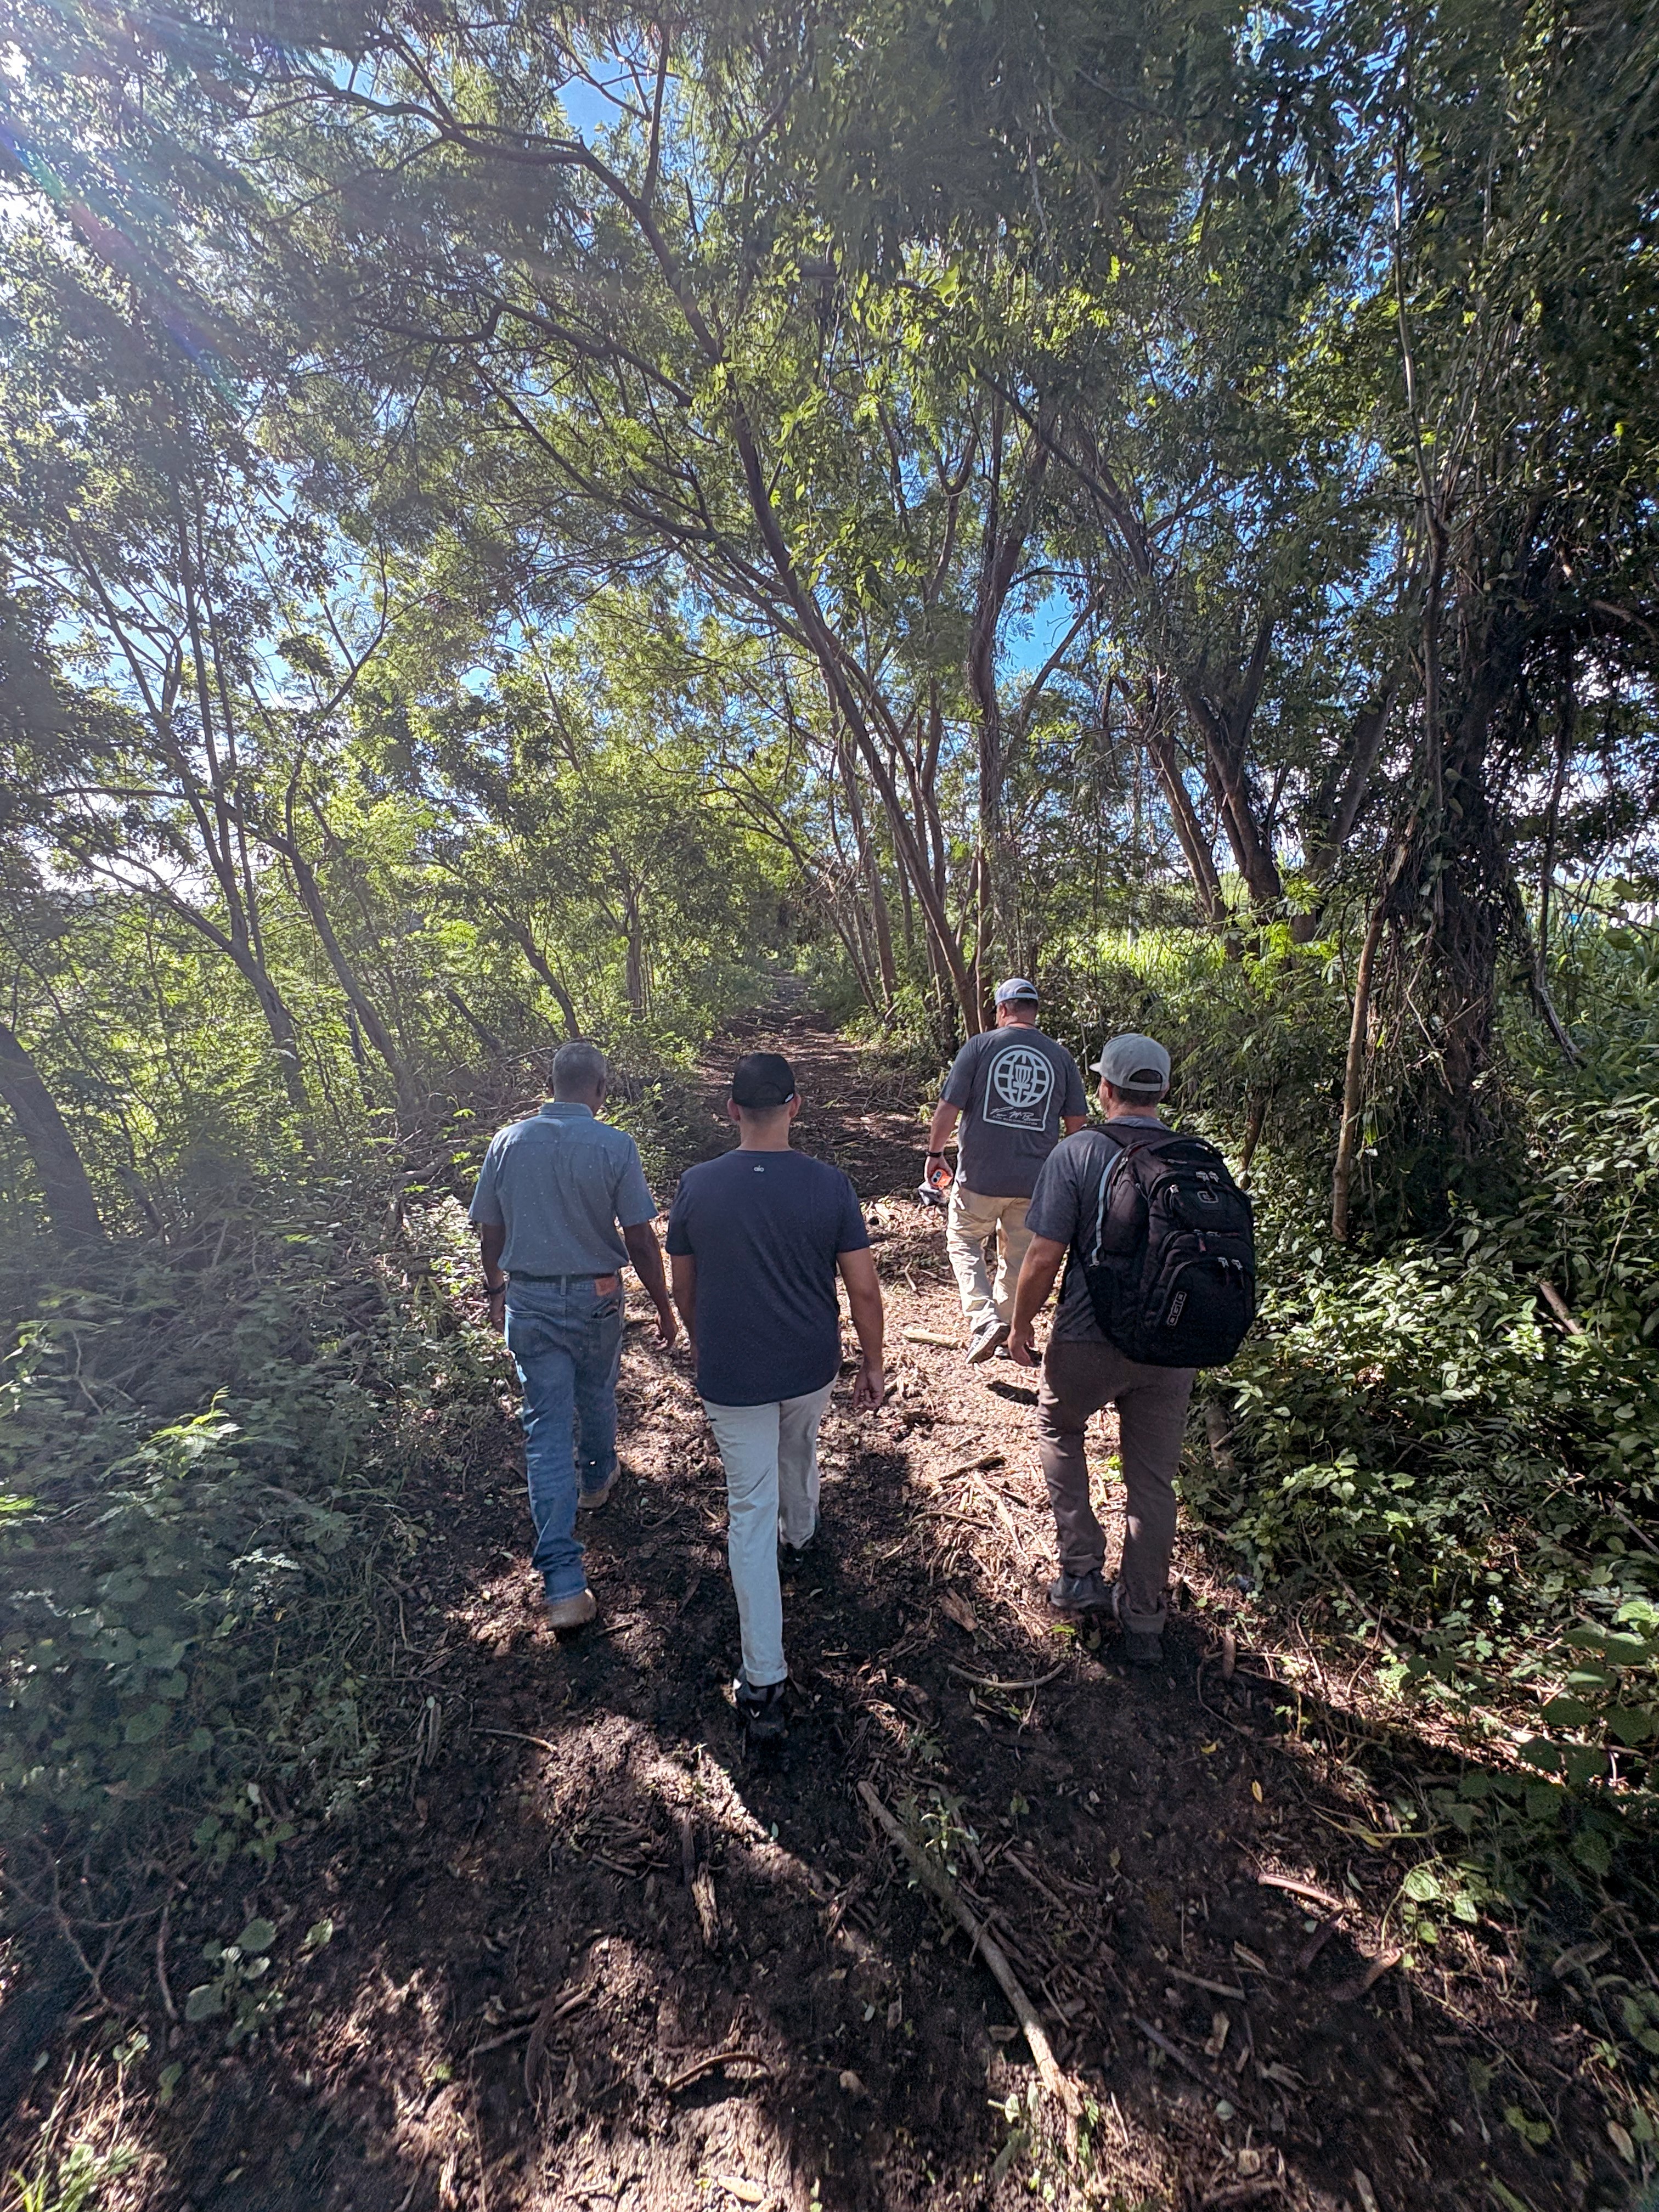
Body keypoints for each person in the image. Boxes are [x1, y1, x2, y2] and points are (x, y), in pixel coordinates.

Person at [667, 1051, 885, 1746]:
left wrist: (700, 1339)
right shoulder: (830, 1186)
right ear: (795, 1106)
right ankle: (805, 1532)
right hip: (809, 1364)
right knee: (799, 1442)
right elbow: (864, 1289)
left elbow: (683, 1286)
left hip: (732, 1375)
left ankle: (764, 1680)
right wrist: (873, 1363)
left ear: (732, 1110)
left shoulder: (697, 1186)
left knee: (749, 1507)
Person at [470, 1039, 678, 1630]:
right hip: (596, 1295)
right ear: (601, 1089)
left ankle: (563, 1585)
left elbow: (491, 1230)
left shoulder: (507, 1142)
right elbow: (640, 1238)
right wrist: (664, 1306)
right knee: (596, 1390)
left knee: (545, 1428)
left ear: (551, 1084)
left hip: (530, 1299)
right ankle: (595, 1477)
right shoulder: (614, 1145)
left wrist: (496, 1289)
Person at [1006, 1032, 1192, 1668]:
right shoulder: (1194, 1157)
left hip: (1088, 1337)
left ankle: (1082, 1571)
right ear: (1162, 1091)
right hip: (1172, 1347)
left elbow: (1043, 1255)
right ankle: (1144, 1619)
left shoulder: (1078, 1151)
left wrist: (1020, 1326)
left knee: (1059, 1427)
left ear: (1105, 1089)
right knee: (1153, 1482)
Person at [925, 978, 1088, 1364]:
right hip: (1035, 1183)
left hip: (979, 1178)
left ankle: (984, 1320)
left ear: (1001, 1010)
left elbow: (948, 1108)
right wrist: (1068, 1178)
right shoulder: (1060, 1057)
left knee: (964, 1240)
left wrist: (935, 1153)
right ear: (1035, 1012)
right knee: (1019, 1258)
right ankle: (1004, 1326)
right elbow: (1077, 1125)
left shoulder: (980, 1047)